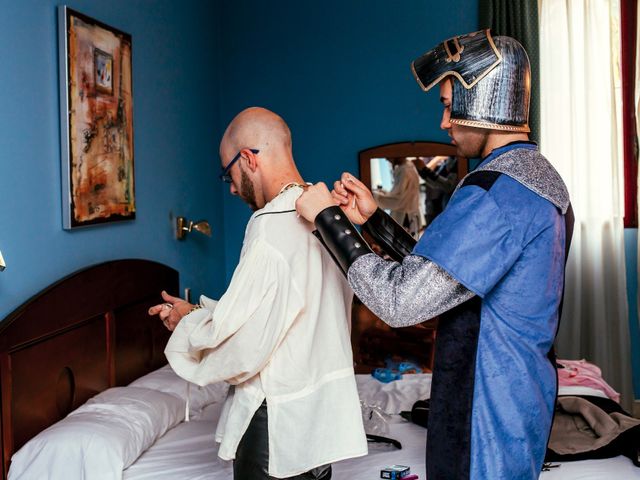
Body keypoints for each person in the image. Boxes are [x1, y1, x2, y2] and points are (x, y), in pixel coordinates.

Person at [295, 30, 574, 480]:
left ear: (482, 99)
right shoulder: (537, 179)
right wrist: (375, 224)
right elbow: (453, 276)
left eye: (449, 106)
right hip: (519, 394)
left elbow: (402, 302)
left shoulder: (496, 193)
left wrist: (330, 220)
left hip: (485, 411)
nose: (443, 123)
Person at [148, 107, 367, 479]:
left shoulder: (270, 227)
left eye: (228, 173)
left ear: (248, 159)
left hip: (276, 430)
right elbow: (286, 313)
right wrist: (201, 312)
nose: (231, 188)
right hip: (317, 427)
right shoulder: (330, 216)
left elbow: (243, 345)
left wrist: (186, 323)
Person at [373, 157, 422, 237]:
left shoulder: (404, 170)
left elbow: (398, 199)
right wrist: (384, 193)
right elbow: (400, 194)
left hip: (405, 216)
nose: (387, 159)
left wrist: (376, 196)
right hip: (410, 212)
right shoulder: (409, 166)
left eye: (387, 157)